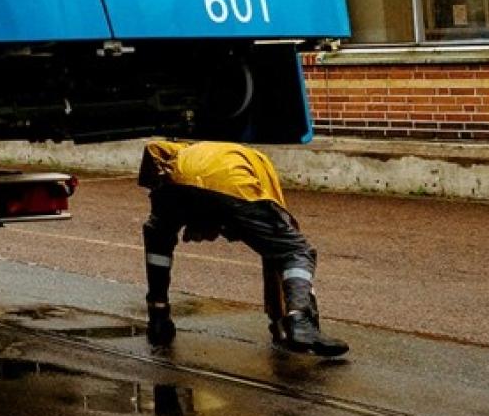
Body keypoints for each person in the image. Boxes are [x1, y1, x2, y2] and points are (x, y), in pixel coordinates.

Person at [138, 140, 349, 359]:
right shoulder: (257, 168)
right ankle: (300, 321)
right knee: (295, 251)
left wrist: (172, 212)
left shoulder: (182, 150)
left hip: (174, 185)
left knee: (157, 234)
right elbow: (275, 256)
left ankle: (158, 316)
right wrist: (279, 321)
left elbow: (152, 148)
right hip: (232, 187)